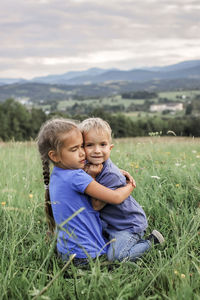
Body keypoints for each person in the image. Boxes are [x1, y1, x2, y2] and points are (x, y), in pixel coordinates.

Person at [37, 118, 135, 264]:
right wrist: (130, 185)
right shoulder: (77, 176)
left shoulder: (57, 173)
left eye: (82, 146)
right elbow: (115, 197)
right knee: (116, 257)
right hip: (87, 255)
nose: (83, 153)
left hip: (66, 253)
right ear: (54, 156)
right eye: (74, 149)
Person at [79, 117, 164, 262]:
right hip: (109, 224)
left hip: (127, 226)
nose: (97, 151)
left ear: (110, 148)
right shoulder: (85, 165)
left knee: (117, 257)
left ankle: (151, 242)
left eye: (103, 144)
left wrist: (92, 177)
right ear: (81, 148)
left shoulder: (111, 175)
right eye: (90, 145)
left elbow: (96, 205)